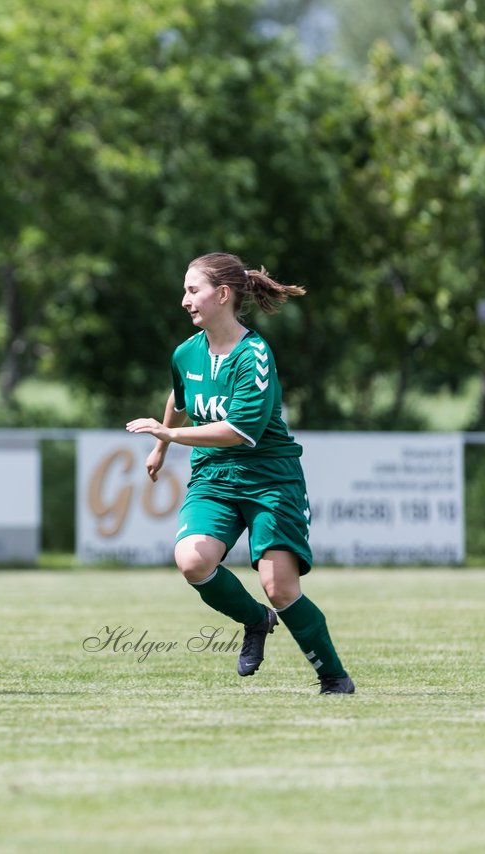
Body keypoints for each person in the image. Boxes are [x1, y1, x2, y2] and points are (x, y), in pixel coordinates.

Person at [126, 253, 354, 694]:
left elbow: (239, 432)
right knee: (192, 560)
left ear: (223, 295)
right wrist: (159, 445)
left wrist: (169, 438)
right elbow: (179, 398)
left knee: (280, 587)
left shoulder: (255, 356)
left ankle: (333, 677)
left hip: (270, 479)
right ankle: (255, 620)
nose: (184, 301)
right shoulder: (186, 353)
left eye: (193, 291)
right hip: (214, 477)